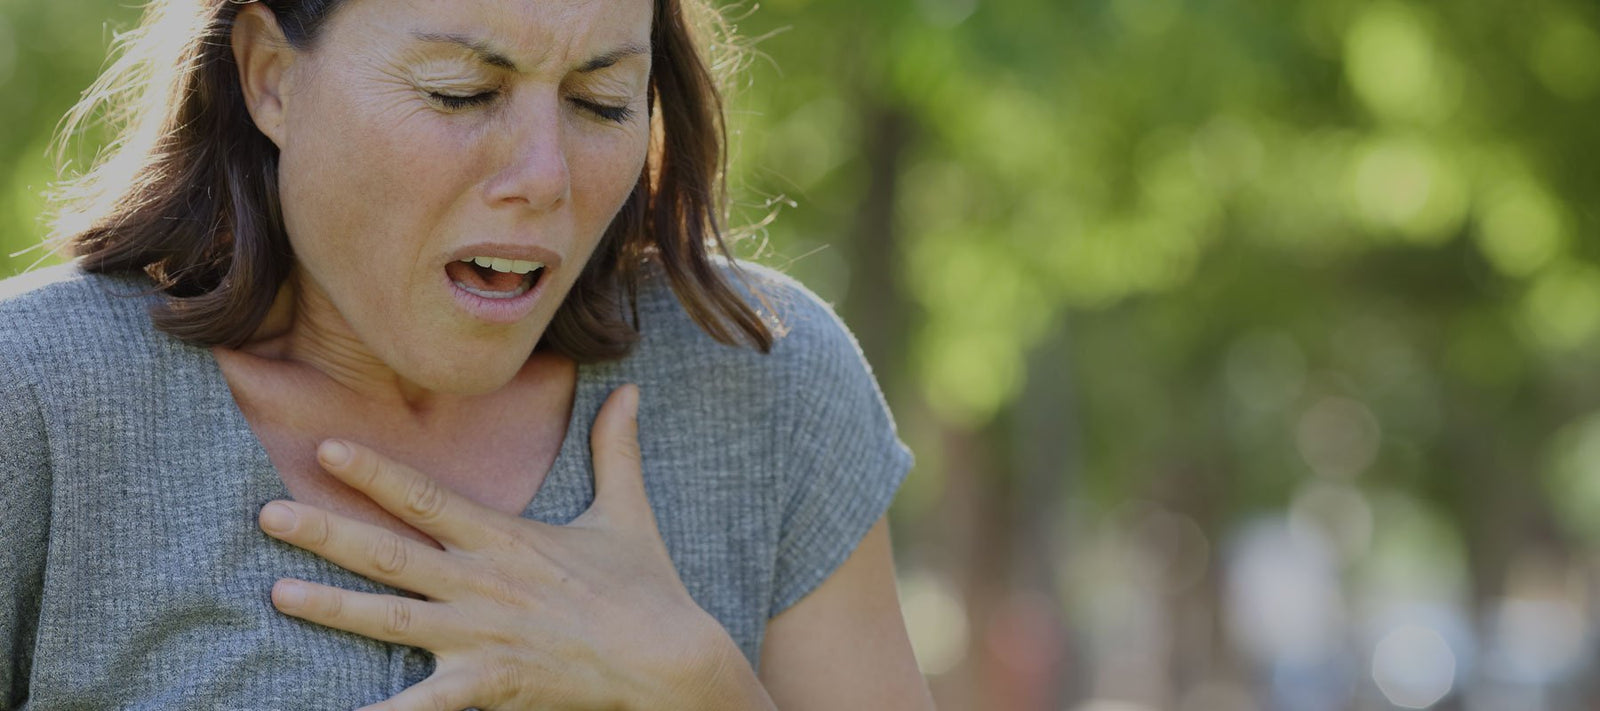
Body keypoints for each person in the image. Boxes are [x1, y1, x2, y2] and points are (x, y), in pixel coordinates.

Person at [0, 0, 933, 708]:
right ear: (271, 78)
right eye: (463, 92)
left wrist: (700, 687)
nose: (545, 176)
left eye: (601, 102)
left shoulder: (763, 374)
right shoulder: (35, 399)